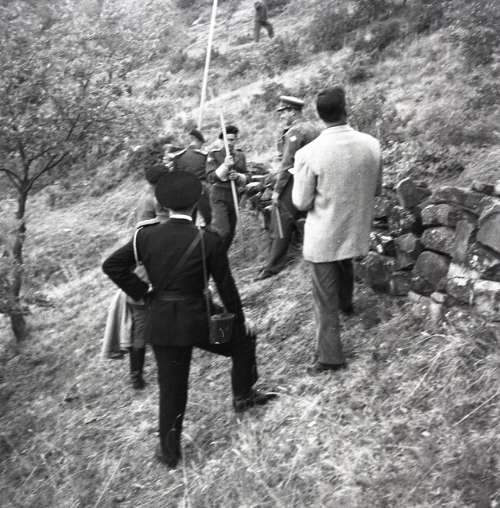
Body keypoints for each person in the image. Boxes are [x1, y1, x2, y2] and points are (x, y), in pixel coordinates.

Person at [102, 171, 276, 468]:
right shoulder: (208, 239)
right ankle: (243, 395)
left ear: (163, 205)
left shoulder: (145, 235)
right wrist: (239, 319)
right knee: (242, 342)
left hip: (163, 325)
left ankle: (169, 454)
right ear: (197, 203)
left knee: (172, 388)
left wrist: (144, 291)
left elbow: (112, 266)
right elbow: (226, 285)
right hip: (202, 323)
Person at [292, 86, 382, 374]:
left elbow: (300, 202)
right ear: (346, 109)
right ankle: (347, 304)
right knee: (344, 264)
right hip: (355, 229)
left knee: (323, 298)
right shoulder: (372, 144)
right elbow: (376, 189)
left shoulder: (307, 153)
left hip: (324, 235)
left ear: (319, 115)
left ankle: (330, 357)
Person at [255, 96, 320, 281]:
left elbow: (286, 164)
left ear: (292, 111)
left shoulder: (296, 131)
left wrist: (277, 191)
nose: (282, 116)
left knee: (280, 218)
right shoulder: (314, 128)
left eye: (283, 113)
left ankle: (273, 266)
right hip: (314, 178)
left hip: (296, 180)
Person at [206, 125, 248, 252]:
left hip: (234, 196)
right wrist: (225, 166)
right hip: (219, 195)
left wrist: (238, 176)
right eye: (227, 140)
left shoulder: (240, 155)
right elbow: (210, 177)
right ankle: (211, 255)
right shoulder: (214, 154)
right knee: (222, 231)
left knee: (230, 234)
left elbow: (248, 176)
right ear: (222, 140)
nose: (230, 143)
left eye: (233, 140)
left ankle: (221, 256)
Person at [166, 128, 212, 226]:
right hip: (202, 189)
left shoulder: (178, 156)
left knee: (188, 220)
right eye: (201, 144)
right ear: (197, 141)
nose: (201, 146)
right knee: (208, 219)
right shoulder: (204, 156)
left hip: (185, 191)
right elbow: (209, 175)